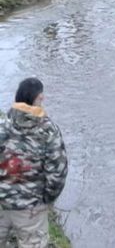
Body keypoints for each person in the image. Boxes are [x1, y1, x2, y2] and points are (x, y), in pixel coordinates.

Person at [0, 78, 67, 248]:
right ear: (39, 98)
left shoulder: (3, 125)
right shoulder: (48, 130)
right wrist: (47, 199)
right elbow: (58, 171)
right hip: (31, 207)